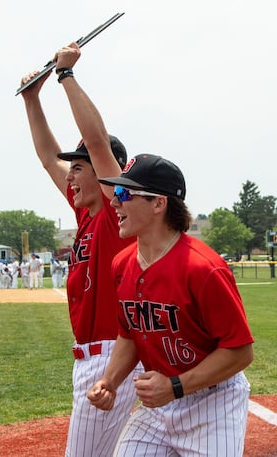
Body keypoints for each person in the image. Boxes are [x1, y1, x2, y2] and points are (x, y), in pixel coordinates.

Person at [88, 154, 254, 456]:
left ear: (158, 203)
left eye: (125, 194)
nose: (114, 202)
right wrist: (109, 381)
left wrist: (175, 386)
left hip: (212, 401)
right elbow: (129, 333)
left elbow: (240, 351)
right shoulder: (121, 265)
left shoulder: (203, 268)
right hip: (158, 405)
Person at [20, 42, 139, 456]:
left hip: (111, 353)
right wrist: (32, 101)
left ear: (107, 174)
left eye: (78, 168)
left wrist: (66, 76)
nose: (69, 177)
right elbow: (46, 157)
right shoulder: (86, 214)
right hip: (90, 355)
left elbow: (97, 142)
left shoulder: (114, 208)